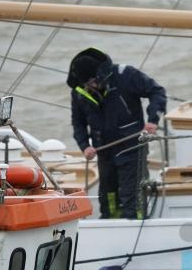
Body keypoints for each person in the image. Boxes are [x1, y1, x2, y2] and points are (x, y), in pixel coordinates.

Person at [67, 48, 167, 219]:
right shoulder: (78, 92)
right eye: (86, 84)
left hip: (132, 149)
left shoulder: (126, 75)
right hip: (104, 152)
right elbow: (78, 123)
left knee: (132, 199)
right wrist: (84, 145)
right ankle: (110, 229)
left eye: (93, 81)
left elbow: (157, 92)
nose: (91, 86)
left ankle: (135, 227)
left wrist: (152, 120)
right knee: (108, 201)